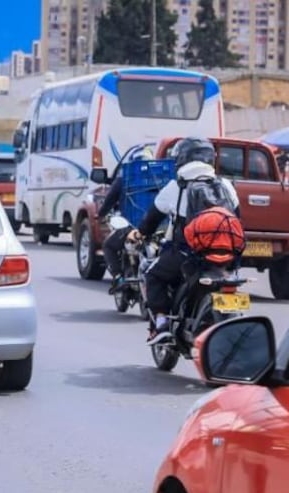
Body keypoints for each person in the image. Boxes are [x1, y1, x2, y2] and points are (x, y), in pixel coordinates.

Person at [128, 137, 240, 345]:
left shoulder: (176, 186)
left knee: (153, 276)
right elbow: (237, 218)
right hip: (226, 256)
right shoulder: (225, 185)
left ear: (181, 159)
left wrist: (139, 233)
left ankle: (161, 322)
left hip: (186, 254)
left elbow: (152, 219)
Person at [98, 146, 155, 293]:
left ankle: (118, 277)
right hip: (156, 228)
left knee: (108, 246)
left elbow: (109, 201)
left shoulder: (124, 179)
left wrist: (101, 214)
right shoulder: (160, 179)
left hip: (130, 227)